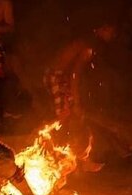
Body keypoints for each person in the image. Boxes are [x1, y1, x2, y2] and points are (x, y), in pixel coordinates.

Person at [43, 23, 117, 171]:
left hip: (58, 76)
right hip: (56, 77)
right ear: (101, 29)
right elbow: (75, 74)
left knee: (71, 117)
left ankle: (78, 160)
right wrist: (76, 101)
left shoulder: (87, 42)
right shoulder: (88, 46)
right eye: (110, 30)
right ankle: (53, 161)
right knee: (63, 118)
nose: (113, 35)